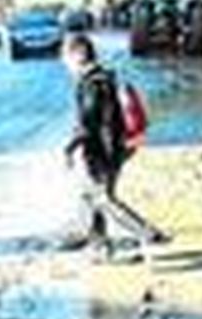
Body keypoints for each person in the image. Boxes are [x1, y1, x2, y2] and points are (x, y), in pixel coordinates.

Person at [61, 33, 167, 257]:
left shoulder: (91, 83)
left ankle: (148, 233)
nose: (65, 64)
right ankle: (98, 245)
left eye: (66, 58)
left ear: (77, 55)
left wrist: (70, 147)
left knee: (102, 198)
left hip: (102, 149)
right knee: (89, 195)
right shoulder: (106, 78)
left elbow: (88, 121)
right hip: (116, 145)